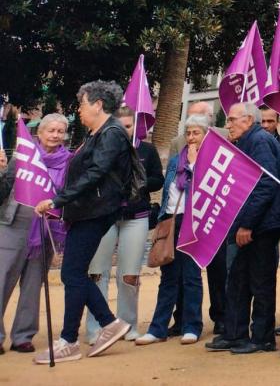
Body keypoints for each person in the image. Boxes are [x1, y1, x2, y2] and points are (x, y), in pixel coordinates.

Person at [34, 81, 137, 363]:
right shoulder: (97, 133)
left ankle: (69, 340)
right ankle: (108, 323)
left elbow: (95, 173)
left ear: (98, 105)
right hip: (88, 211)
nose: (78, 110)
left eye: (82, 103)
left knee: (73, 273)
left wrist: (57, 200)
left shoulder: (112, 133)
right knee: (74, 273)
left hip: (95, 211)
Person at [206, 102, 280, 355]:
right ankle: (234, 334)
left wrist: (247, 225)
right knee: (238, 280)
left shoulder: (259, 141)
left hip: (262, 224)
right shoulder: (246, 142)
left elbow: (266, 184)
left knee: (260, 281)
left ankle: (263, 338)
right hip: (252, 222)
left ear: (248, 120)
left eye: (232, 120)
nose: (227, 125)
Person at [85, 104, 164, 343]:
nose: (123, 130)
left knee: (130, 275)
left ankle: (128, 324)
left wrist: (138, 181)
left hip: (135, 218)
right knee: (97, 273)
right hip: (104, 217)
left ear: (135, 126)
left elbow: (157, 180)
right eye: (118, 126)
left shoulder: (147, 151)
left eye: (128, 126)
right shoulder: (98, 147)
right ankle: (97, 327)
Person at [136, 114, 209, 346]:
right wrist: (162, 219)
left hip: (193, 222)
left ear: (206, 135)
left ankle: (192, 326)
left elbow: (204, 191)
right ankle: (158, 329)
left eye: (196, 132)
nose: (191, 137)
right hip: (170, 220)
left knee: (191, 277)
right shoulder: (177, 159)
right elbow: (169, 191)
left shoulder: (209, 160)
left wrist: (196, 164)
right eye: (188, 133)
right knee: (168, 277)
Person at [0, 113, 69, 353]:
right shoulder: (22, 155)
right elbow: (5, 187)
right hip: (13, 226)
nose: (55, 135)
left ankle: (23, 336)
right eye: (50, 130)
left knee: (32, 284)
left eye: (60, 131)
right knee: (2, 280)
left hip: (45, 230)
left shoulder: (69, 162)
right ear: (39, 133)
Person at [169, 100, 229, 335]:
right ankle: (182, 318)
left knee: (218, 269)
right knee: (184, 271)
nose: (193, 126)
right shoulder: (178, 142)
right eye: (190, 121)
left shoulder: (225, 136)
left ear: (210, 120)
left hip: (215, 214)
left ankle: (221, 316)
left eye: (200, 119)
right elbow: (174, 178)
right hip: (186, 216)